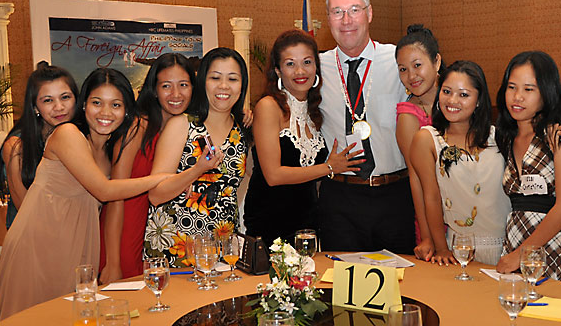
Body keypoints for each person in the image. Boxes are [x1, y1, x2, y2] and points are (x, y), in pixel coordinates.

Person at [0, 68, 171, 321]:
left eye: (115, 105)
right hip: (37, 245)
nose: (105, 112)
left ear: (126, 111)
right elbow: (104, 190)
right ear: (84, 104)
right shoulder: (67, 134)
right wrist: (162, 178)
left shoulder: (108, 148)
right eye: (97, 103)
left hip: (76, 247)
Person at [317, 0, 413, 254]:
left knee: (402, 277)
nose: (346, 20)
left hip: (394, 195)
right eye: (337, 12)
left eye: (354, 10)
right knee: (340, 276)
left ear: (369, 13)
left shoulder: (397, 60)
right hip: (340, 199)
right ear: (328, 19)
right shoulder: (317, 67)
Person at [243, 30, 363, 248]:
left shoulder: (315, 111)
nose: (300, 71)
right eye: (290, 64)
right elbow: (273, 175)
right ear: (278, 71)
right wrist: (329, 167)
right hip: (269, 221)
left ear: (316, 67)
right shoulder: (269, 107)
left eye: (307, 62)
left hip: (308, 223)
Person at [144, 47, 250, 267]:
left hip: (223, 250)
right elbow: (155, 194)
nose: (224, 86)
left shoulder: (242, 131)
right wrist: (197, 170)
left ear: (242, 86)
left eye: (232, 79)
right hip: (176, 247)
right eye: (215, 78)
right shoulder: (182, 124)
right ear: (202, 82)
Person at [495, 51, 561, 290]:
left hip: (552, 245)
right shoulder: (505, 137)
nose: (517, 97)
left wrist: (522, 254)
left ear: (546, 93)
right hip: (515, 239)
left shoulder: (560, 135)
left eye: (529, 89)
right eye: (511, 87)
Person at [99, 53, 196, 283]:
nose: (176, 94)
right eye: (166, 86)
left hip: (156, 233)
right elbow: (115, 196)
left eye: (183, 85)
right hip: (125, 228)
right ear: (154, 89)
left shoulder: (187, 126)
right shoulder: (139, 126)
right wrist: (112, 261)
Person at [410, 61, 511, 266]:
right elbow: (431, 197)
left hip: (508, 248)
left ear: (479, 100)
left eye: (463, 95)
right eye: (446, 91)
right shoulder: (428, 139)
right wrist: (441, 248)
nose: (452, 100)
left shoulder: (499, 137)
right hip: (459, 251)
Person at [0, 61, 78, 228]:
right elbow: (24, 208)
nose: (59, 107)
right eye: (48, 100)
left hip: (71, 228)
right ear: (35, 107)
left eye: (65, 97)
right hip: (31, 231)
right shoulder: (16, 146)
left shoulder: (79, 136)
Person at [395, 24, 445, 260]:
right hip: (433, 216)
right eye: (403, 69)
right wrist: (426, 236)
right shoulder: (409, 115)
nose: (411, 76)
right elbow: (415, 179)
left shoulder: (457, 101)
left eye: (417, 65)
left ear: (436, 62)